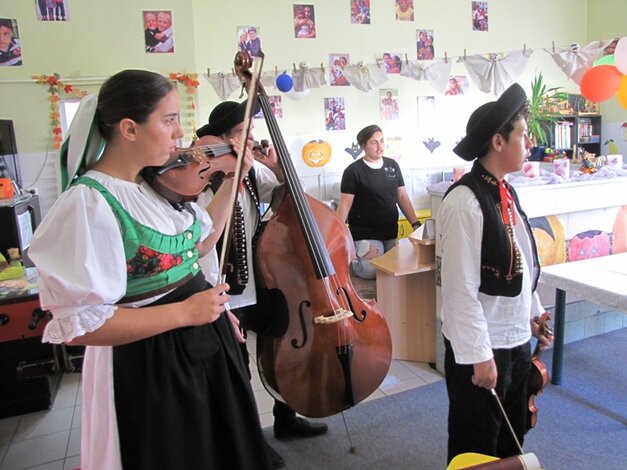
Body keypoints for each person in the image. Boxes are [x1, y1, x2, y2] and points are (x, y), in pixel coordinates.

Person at [28, 70, 271, 470]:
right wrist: (185, 312)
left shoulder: (148, 189)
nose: (181, 135)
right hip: (147, 366)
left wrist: (235, 179)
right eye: (169, 119)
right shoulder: (89, 204)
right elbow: (84, 325)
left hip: (197, 346)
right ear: (129, 129)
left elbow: (197, 246)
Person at [195, 101, 329, 468]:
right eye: (243, 134)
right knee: (238, 371)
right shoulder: (201, 177)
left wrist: (275, 164)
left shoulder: (254, 172)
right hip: (221, 287)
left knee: (280, 353)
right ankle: (250, 440)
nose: (250, 140)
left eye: (251, 134)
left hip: (263, 281)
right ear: (222, 140)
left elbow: (288, 192)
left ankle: (285, 419)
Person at [436, 83, 553, 463]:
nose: (529, 141)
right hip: (484, 350)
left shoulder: (505, 192)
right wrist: (478, 355)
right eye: (522, 133)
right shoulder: (464, 202)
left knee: (512, 441)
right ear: (498, 141)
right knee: (477, 448)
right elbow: (458, 291)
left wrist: (532, 314)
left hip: (514, 342)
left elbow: (521, 261)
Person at [336, 125, 420, 280]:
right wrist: (337, 232)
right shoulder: (353, 171)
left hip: (389, 231)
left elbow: (402, 196)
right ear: (363, 146)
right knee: (371, 271)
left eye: (381, 140)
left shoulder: (392, 166)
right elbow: (345, 205)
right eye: (374, 142)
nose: (380, 146)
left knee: (393, 271)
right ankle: (353, 261)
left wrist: (415, 223)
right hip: (365, 233)